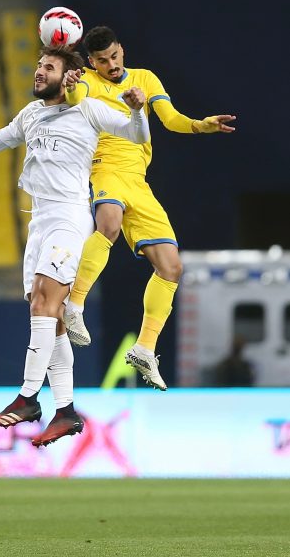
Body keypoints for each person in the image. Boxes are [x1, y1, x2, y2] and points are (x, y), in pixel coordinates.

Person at [0, 47, 150, 447]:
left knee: (45, 304)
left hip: (69, 217)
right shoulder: (31, 114)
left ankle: (28, 396)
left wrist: (137, 109)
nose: (39, 72)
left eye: (48, 67)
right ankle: (65, 410)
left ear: (70, 75)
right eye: (39, 66)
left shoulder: (89, 109)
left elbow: (137, 135)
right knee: (48, 314)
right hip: (40, 220)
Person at [62, 25, 236, 391]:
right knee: (107, 223)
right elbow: (75, 99)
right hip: (105, 167)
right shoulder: (89, 81)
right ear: (92, 61)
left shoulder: (144, 78)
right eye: (101, 60)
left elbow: (170, 119)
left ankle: (144, 347)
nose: (110, 65)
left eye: (114, 56)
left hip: (138, 181)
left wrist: (202, 126)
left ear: (122, 50)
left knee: (171, 267)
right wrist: (72, 81)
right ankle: (75, 303)